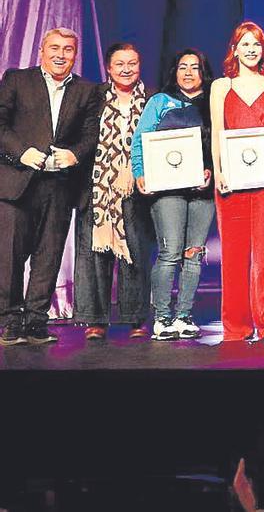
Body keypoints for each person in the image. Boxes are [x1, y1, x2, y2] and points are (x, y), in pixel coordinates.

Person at [0, 28, 100, 346]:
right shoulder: (16, 79)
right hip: (17, 181)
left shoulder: (87, 90)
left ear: (75, 54)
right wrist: (21, 152)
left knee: (49, 255)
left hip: (59, 185)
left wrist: (75, 154)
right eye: (54, 48)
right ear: (41, 51)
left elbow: (90, 133)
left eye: (68, 49)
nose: (60, 54)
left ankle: (35, 322)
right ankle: (11, 321)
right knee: (9, 256)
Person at [210, 21, 264, 343]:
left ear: (263, 49)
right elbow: (218, 133)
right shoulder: (220, 87)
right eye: (245, 44)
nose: (251, 49)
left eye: (256, 44)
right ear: (235, 49)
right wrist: (219, 172)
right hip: (232, 181)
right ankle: (237, 327)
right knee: (234, 254)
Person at [131, 48, 215, 341]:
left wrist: (211, 173)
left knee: (193, 254)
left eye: (195, 67)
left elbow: (222, 145)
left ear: (204, 72)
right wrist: (140, 172)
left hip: (202, 191)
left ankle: (184, 315)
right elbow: (140, 141)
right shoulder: (160, 102)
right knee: (170, 252)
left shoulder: (213, 102)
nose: (189, 72)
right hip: (166, 190)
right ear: (174, 72)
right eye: (183, 67)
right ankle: (163, 317)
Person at [73, 43, 155, 340]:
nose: (126, 69)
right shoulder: (92, 98)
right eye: (119, 63)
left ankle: (136, 318)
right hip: (96, 187)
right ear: (108, 68)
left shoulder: (151, 100)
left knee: (135, 251)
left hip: (137, 186)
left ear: (139, 65)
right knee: (94, 252)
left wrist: (135, 171)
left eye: (132, 62)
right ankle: (95, 319)